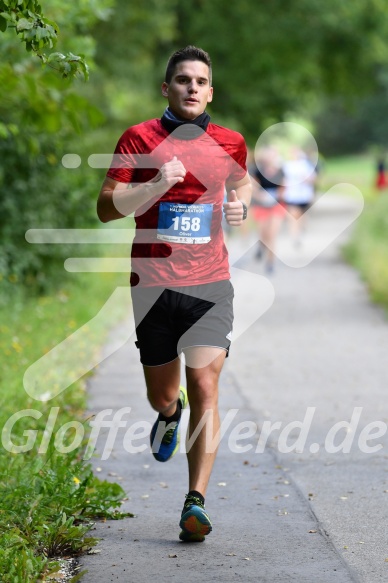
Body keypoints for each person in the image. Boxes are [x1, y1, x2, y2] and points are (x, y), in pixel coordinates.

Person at [96, 46, 251, 542]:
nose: (191, 88)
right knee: (163, 392)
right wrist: (156, 185)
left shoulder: (231, 142)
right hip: (153, 287)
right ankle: (168, 411)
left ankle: (195, 502)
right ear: (167, 88)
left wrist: (239, 208)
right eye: (182, 80)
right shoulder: (138, 138)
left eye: (200, 81)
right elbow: (106, 209)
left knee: (207, 386)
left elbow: (242, 184)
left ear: (211, 91)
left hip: (209, 284)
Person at [249, 147, 285, 273]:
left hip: (276, 205)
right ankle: (261, 245)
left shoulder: (281, 171)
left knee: (272, 234)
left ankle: (270, 262)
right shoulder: (258, 171)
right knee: (263, 232)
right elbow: (253, 187)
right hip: (261, 205)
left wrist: (277, 195)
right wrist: (261, 196)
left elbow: (283, 187)